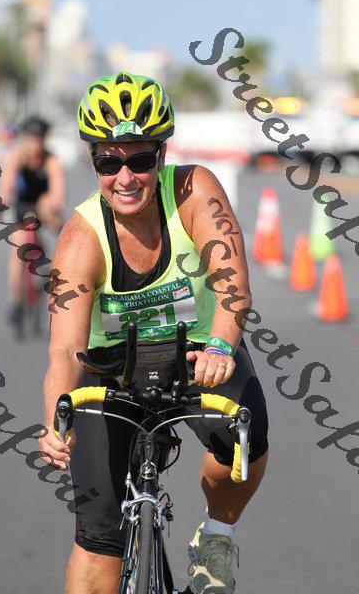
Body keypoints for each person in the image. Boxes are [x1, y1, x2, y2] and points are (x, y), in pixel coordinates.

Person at [40, 72, 269, 594]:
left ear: (162, 156)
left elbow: (231, 283)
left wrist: (221, 344)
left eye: (140, 160)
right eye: (109, 163)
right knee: (98, 534)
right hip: (110, 367)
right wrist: (56, 420)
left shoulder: (194, 190)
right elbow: (64, 350)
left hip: (199, 351)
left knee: (245, 439)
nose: (125, 177)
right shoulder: (80, 238)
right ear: (94, 164)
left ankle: (216, 539)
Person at [0, 115, 65, 324]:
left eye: (39, 138)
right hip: (22, 209)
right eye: (32, 138)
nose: (35, 143)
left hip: (44, 210)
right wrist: (1, 204)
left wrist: (50, 205)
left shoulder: (51, 160)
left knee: (62, 243)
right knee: (18, 245)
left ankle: (55, 284)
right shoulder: (16, 156)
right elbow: (6, 186)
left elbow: (58, 194)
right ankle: (16, 300)